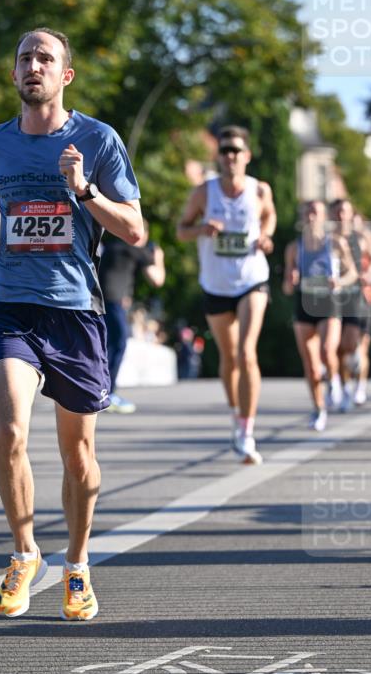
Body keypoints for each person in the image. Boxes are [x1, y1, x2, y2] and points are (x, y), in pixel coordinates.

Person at [0, 27, 143, 621]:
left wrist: (83, 188)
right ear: (14, 76)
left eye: (45, 58)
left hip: (76, 312)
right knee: (10, 431)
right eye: (23, 58)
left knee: (78, 454)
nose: (32, 65)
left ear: (65, 75)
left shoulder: (98, 139)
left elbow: (135, 230)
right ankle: (23, 552)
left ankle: (78, 565)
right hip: (10, 305)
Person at [177, 125, 276, 463]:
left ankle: (247, 433)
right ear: (218, 157)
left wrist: (266, 236)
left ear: (247, 156)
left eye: (236, 150)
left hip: (252, 280)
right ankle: (236, 414)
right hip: (216, 284)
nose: (230, 156)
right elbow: (181, 230)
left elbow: (270, 216)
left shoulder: (260, 190)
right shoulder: (203, 193)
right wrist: (201, 229)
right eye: (224, 151)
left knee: (247, 353)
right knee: (230, 357)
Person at [282, 200, 357, 431]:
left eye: (315, 213)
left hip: (329, 302)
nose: (311, 217)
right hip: (304, 303)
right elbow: (286, 287)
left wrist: (339, 281)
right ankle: (319, 409)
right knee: (311, 366)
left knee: (327, 350)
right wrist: (291, 279)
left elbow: (352, 273)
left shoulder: (335, 243)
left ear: (324, 217)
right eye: (307, 213)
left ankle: (334, 379)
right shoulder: (294, 248)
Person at [98, 222, 165, 413]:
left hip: (101, 300)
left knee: (107, 345)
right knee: (118, 343)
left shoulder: (113, 246)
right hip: (112, 301)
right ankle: (107, 393)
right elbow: (157, 280)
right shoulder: (132, 248)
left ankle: (103, 391)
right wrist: (158, 257)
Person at [331, 201, 371, 410]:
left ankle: (360, 387)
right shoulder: (329, 240)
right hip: (336, 300)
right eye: (337, 212)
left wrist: (370, 274)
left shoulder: (365, 242)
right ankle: (346, 387)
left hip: (361, 300)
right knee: (339, 350)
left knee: (357, 347)